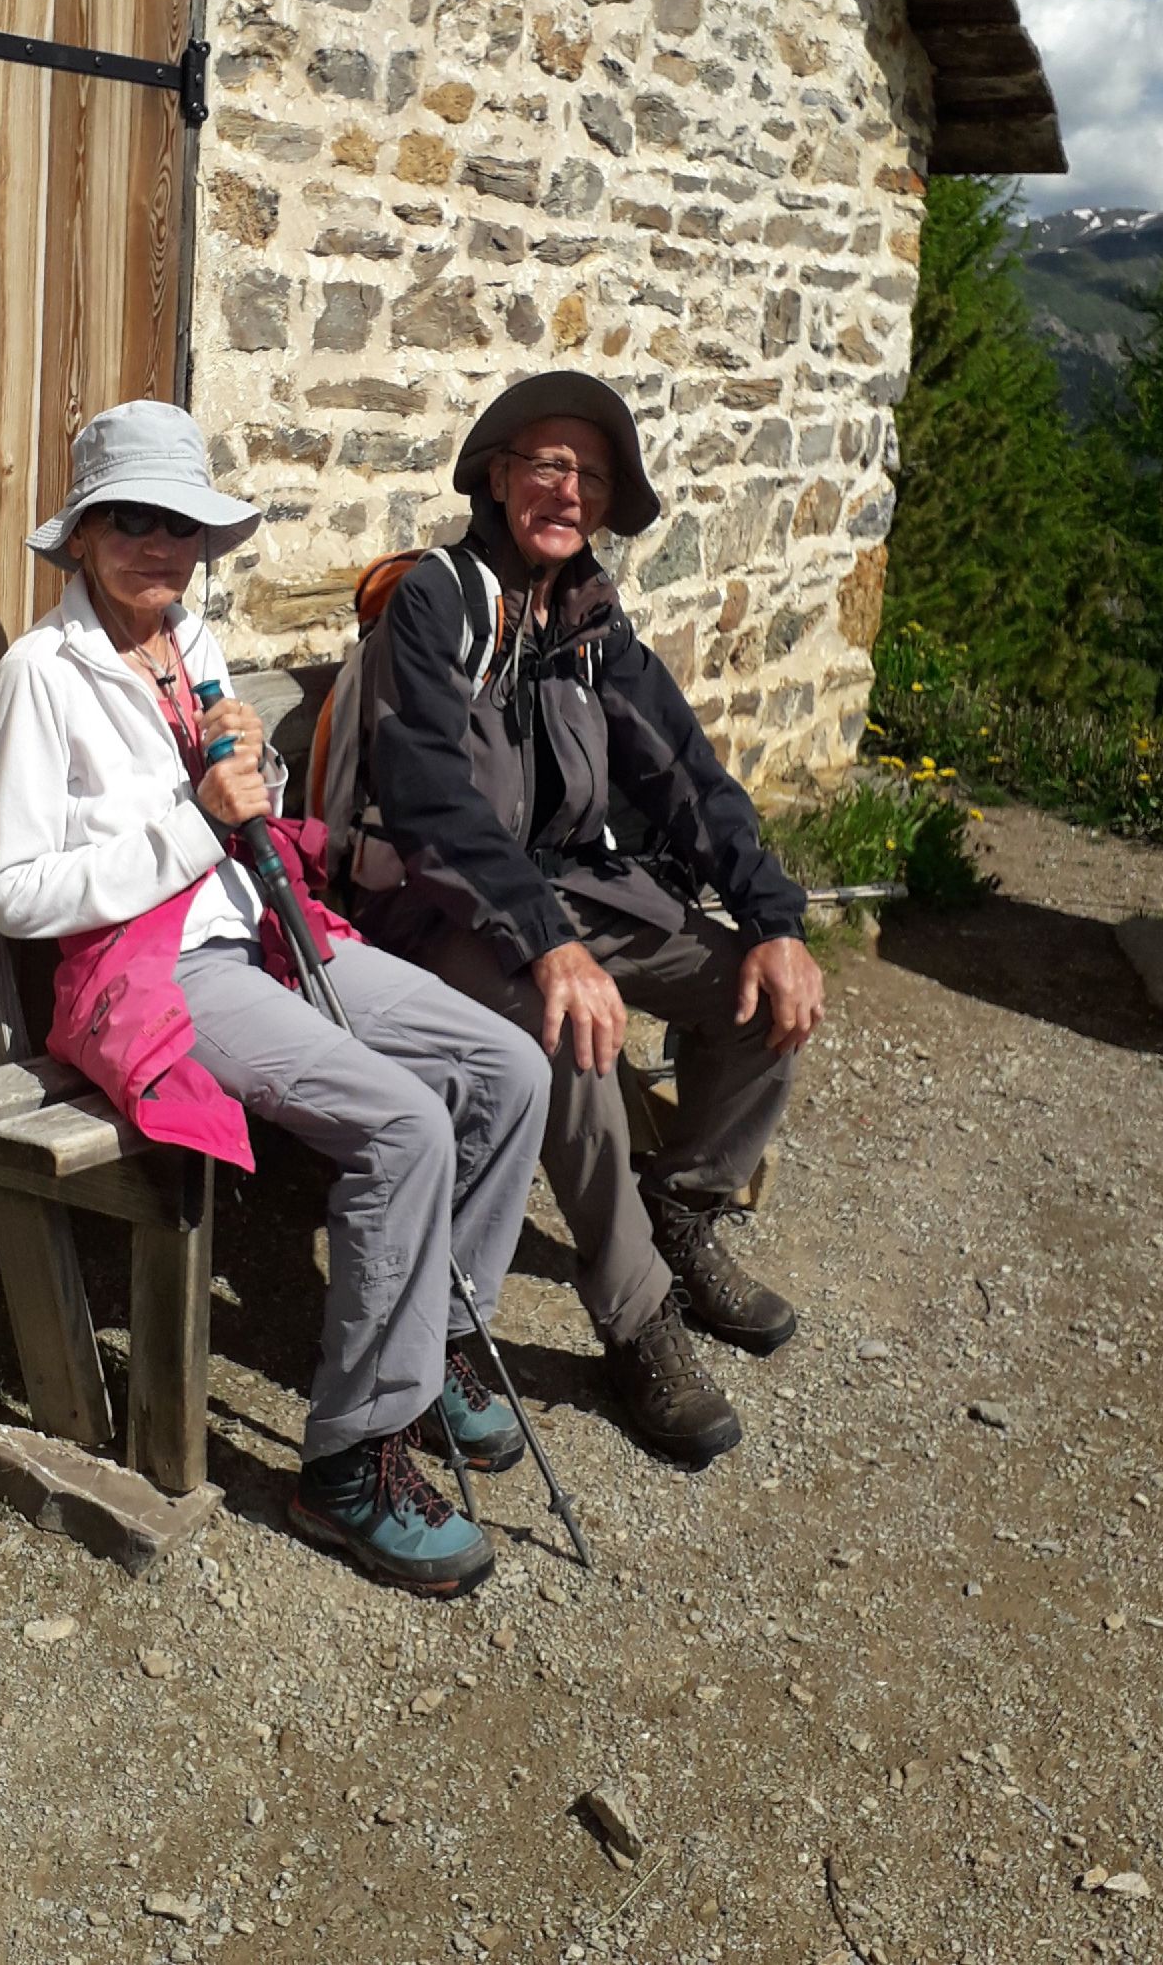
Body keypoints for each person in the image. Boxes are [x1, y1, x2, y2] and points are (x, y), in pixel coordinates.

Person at [0, 399, 549, 1597]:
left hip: (264, 932)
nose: (159, 544)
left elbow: (238, 806)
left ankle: (436, 1348)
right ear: (82, 534)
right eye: (130, 520)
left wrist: (256, 764)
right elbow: (15, 893)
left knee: (508, 1067)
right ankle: (347, 1464)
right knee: (404, 1125)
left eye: (180, 524)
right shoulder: (42, 672)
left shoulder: (188, 639)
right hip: (153, 972)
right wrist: (198, 820)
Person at [349, 371, 824, 1467]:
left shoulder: (589, 626)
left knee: (753, 996)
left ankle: (682, 1209)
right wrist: (549, 943)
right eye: (549, 464)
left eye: (592, 477)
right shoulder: (435, 603)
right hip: (434, 912)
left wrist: (772, 917)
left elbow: (686, 776)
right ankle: (636, 1315)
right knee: (570, 1030)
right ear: (497, 476)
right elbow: (428, 802)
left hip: (567, 897)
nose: (568, 491)